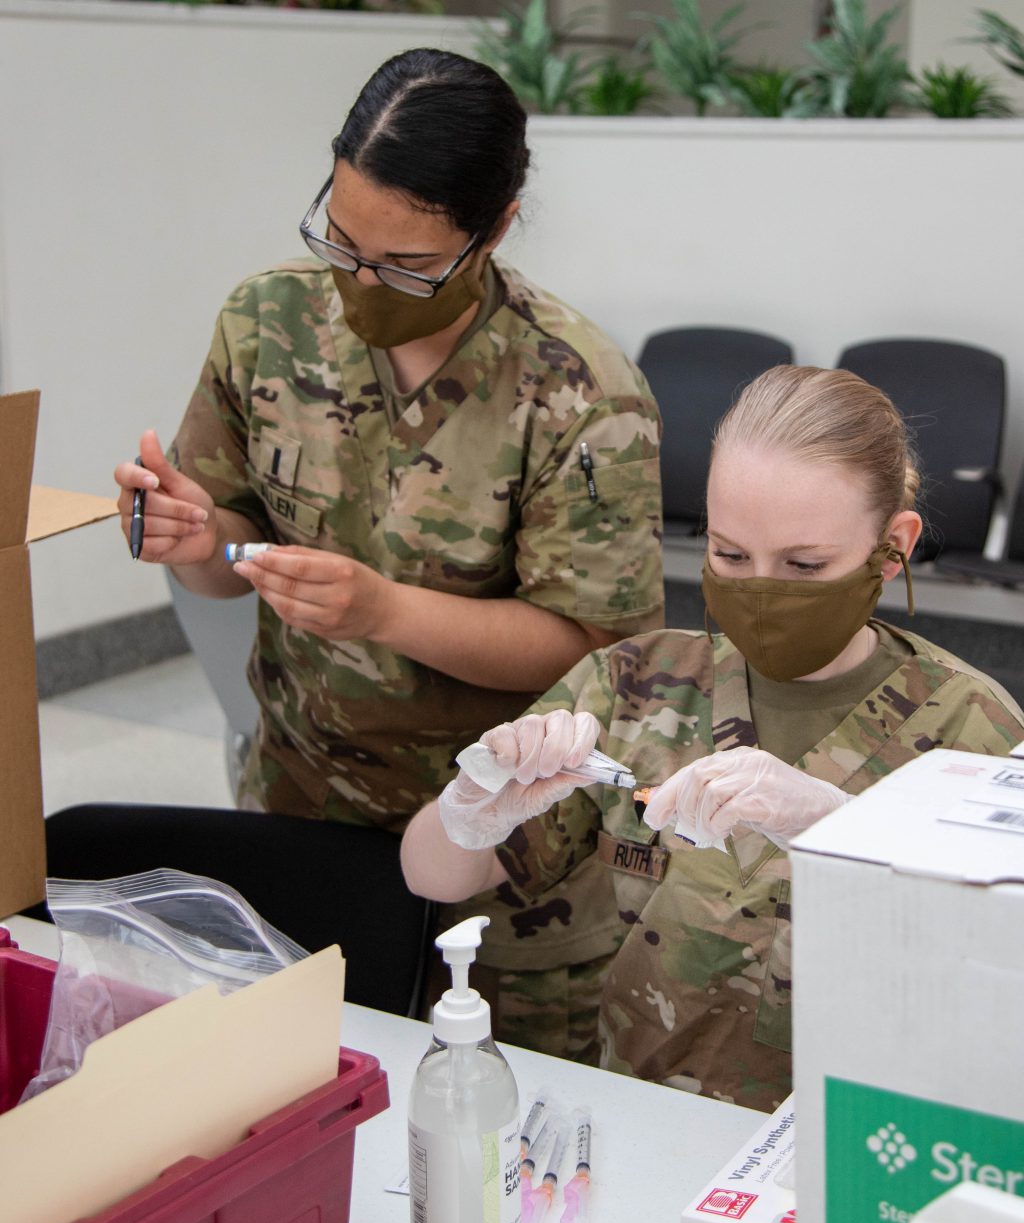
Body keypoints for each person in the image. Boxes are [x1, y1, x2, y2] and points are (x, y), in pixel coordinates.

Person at [112, 49, 663, 993]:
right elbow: (222, 553)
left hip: (498, 854)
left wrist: (384, 612)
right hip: (299, 810)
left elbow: (594, 649)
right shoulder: (268, 321)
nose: (360, 282)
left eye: (407, 266)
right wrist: (197, 541)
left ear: (495, 229)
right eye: (340, 241)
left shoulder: (578, 393)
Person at [401, 366, 1024, 1110]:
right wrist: (472, 809)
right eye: (730, 555)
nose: (760, 591)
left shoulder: (970, 727)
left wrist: (845, 831)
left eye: (804, 565)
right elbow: (432, 877)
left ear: (893, 547)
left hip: (859, 1135)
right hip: (648, 1120)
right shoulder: (637, 685)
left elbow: (999, 973)